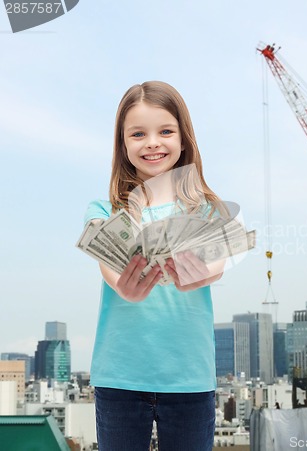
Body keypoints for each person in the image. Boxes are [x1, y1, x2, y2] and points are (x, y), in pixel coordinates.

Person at [83, 81, 225, 451]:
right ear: (123, 143)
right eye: (138, 134)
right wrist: (123, 286)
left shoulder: (206, 209)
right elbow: (107, 266)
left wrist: (203, 273)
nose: (152, 143)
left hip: (190, 378)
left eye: (165, 131)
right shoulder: (104, 210)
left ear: (183, 138)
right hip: (120, 377)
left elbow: (220, 262)